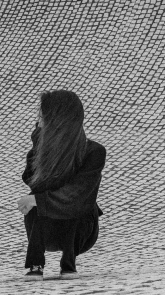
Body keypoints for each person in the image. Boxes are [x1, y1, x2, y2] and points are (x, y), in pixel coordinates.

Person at [17, 90, 106, 279]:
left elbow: (78, 195)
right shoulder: (40, 152)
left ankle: (68, 264)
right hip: (44, 229)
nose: (38, 121)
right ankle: (35, 266)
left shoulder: (93, 153)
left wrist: (37, 200)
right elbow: (34, 182)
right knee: (39, 206)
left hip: (81, 229)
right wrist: (40, 146)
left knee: (67, 207)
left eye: (42, 117)